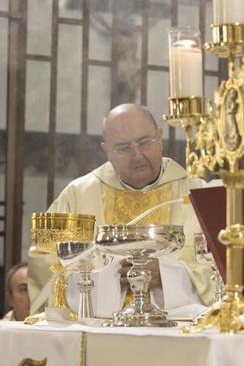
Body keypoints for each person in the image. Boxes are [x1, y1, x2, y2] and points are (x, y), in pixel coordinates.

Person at [28, 104, 214, 317]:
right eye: (123, 148)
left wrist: (167, 276)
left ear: (160, 138)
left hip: (179, 333)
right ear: (106, 150)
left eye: (144, 142)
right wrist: (105, 276)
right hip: (99, 331)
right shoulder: (78, 195)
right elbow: (46, 266)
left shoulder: (198, 195)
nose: (136, 156)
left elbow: (225, 271)